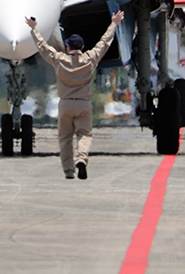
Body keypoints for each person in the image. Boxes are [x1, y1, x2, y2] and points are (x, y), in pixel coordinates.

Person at [26, 11, 124, 179]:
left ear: (68, 47)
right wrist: (114, 24)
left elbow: (42, 46)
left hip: (65, 104)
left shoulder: (59, 59)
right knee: (84, 135)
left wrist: (34, 29)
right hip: (83, 104)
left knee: (65, 138)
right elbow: (104, 42)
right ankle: (82, 160)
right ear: (83, 47)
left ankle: (69, 171)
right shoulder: (90, 59)